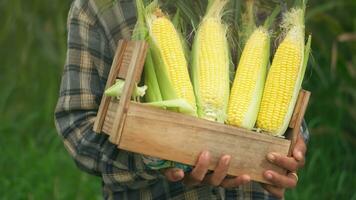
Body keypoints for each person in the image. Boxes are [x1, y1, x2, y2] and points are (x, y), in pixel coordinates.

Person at [54, 0, 309, 199]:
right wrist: (155, 159)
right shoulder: (100, 8)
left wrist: (290, 151)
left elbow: (283, 101)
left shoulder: (263, 6)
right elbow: (77, 128)